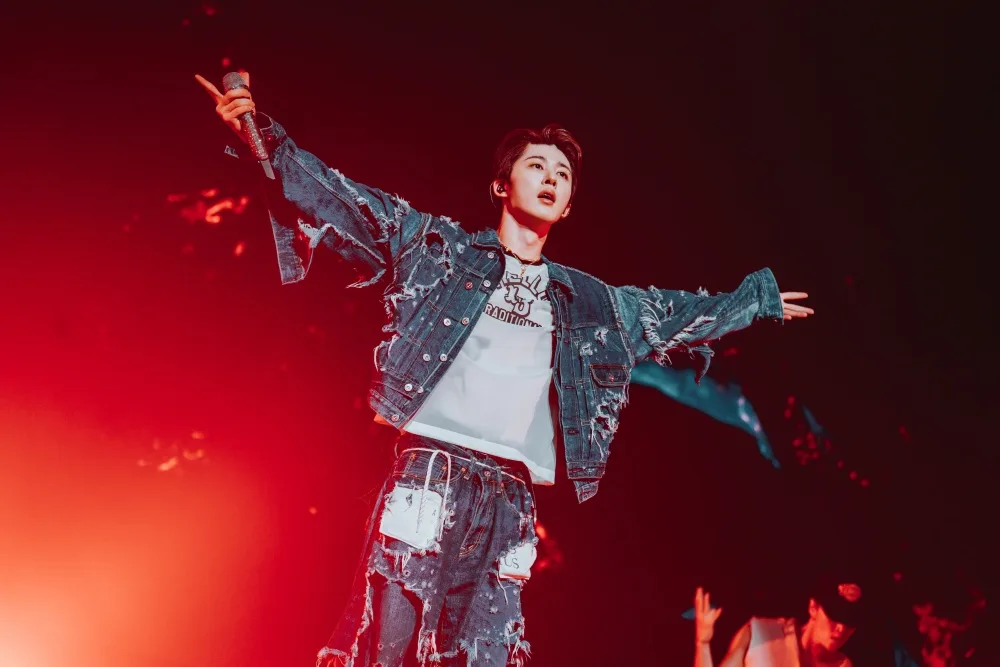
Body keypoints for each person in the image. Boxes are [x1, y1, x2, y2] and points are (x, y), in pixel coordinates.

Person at [196, 71, 815, 667]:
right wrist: (259, 135)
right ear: (501, 185)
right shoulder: (439, 250)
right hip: (430, 471)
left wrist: (753, 302)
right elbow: (346, 201)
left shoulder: (589, 301)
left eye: (563, 175)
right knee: (387, 648)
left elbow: (668, 313)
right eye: (537, 166)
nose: (551, 179)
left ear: (567, 207)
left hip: (510, 497)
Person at [693, 579, 862, 667]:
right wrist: (703, 643)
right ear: (813, 607)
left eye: (849, 623)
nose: (841, 629)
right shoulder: (760, 633)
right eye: (834, 617)